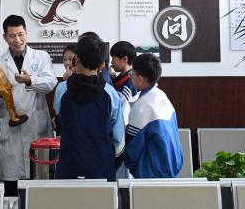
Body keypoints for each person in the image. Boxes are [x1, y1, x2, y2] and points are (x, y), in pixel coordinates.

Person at [0, 15, 57, 196]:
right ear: (4, 37)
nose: (17, 40)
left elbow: (50, 83)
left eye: (20, 34)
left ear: (26, 33)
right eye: (12, 36)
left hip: (36, 125)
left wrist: (30, 80)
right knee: (12, 185)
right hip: (11, 131)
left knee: (39, 186)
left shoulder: (41, 57)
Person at [53, 34, 125, 181]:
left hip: (68, 166)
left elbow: (60, 118)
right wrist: (110, 164)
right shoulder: (111, 94)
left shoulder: (62, 89)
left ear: (76, 59)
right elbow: (119, 139)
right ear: (102, 65)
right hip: (102, 168)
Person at [124, 53, 183, 178]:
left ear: (140, 79)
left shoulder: (141, 106)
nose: (130, 76)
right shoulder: (162, 95)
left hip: (150, 174)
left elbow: (132, 151)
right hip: (172, 169)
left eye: (132, 73)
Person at [109, 40, 138, 178]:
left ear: (124, 59)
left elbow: (122, 114)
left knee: (123, 175)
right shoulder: (121, 78)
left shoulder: (129, 83)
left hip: (124, 135)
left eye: (113, 58)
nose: (111, 62)